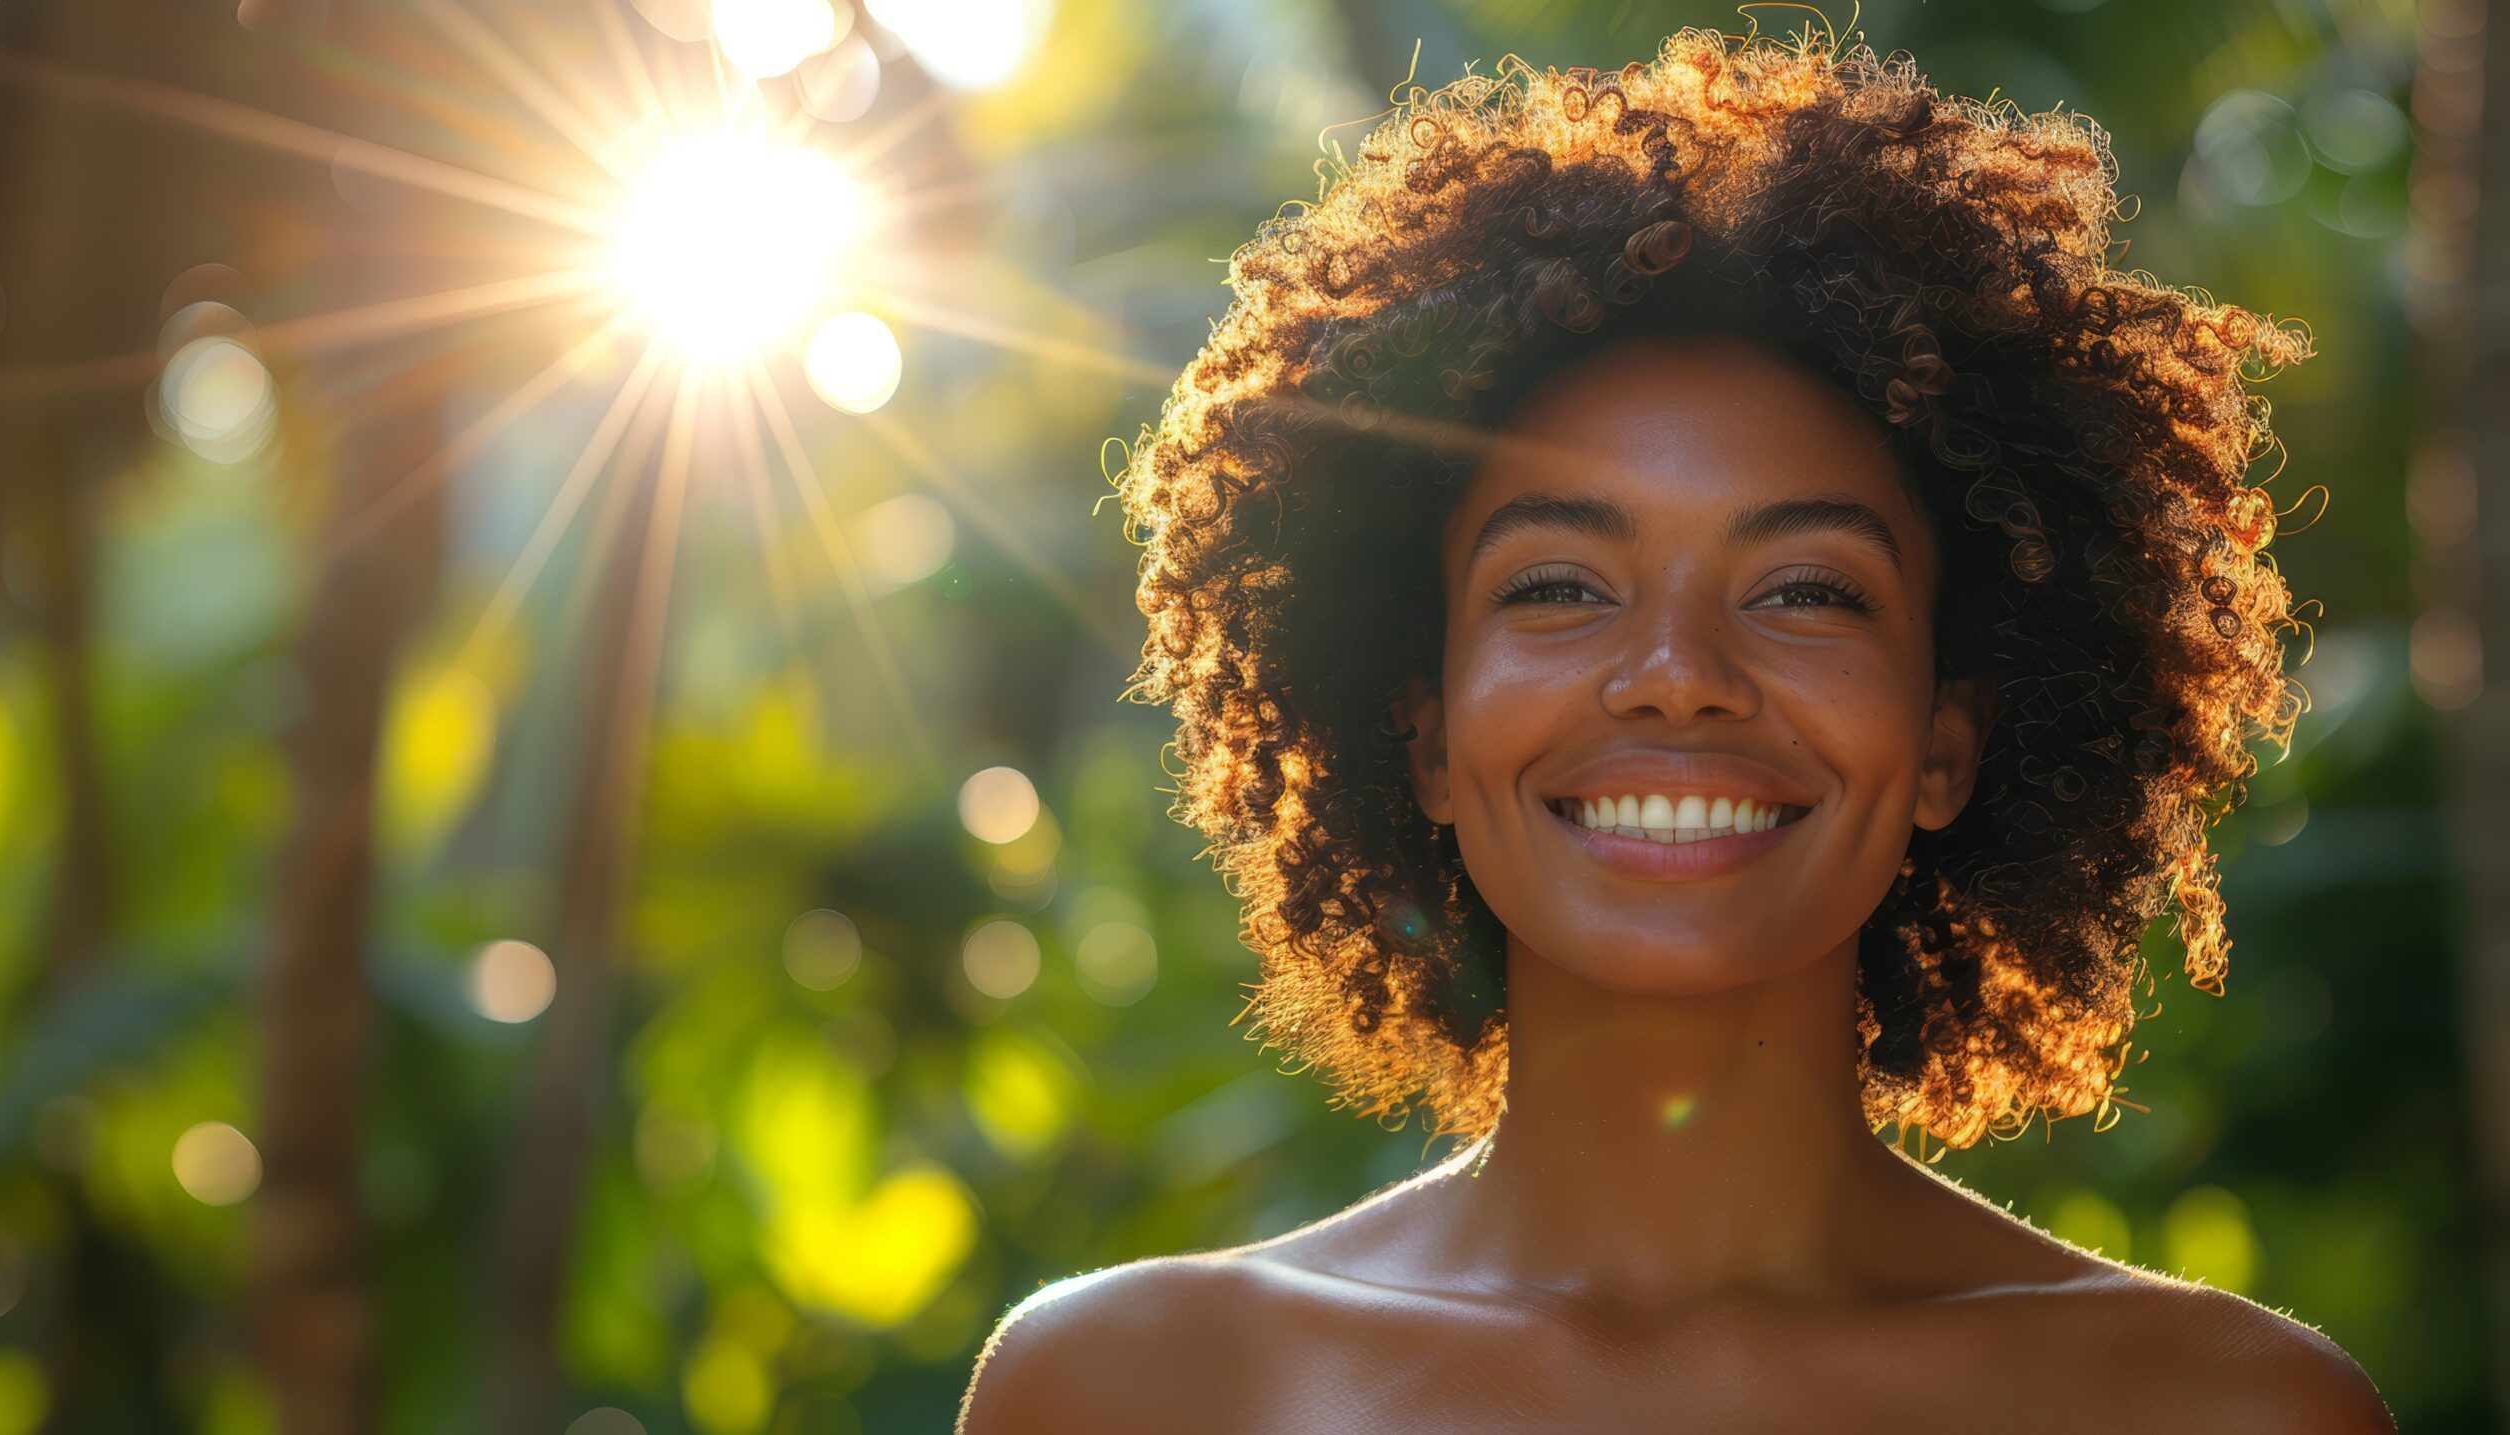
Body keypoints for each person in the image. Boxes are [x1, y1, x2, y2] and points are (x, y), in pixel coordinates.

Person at [960, 27, 2393, 1432]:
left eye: (1810, 591)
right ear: (1428, 740)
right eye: (1562, 585)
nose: (1676, 674)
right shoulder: (1134, 1392)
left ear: (1947, 742)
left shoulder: (2219, 1412)